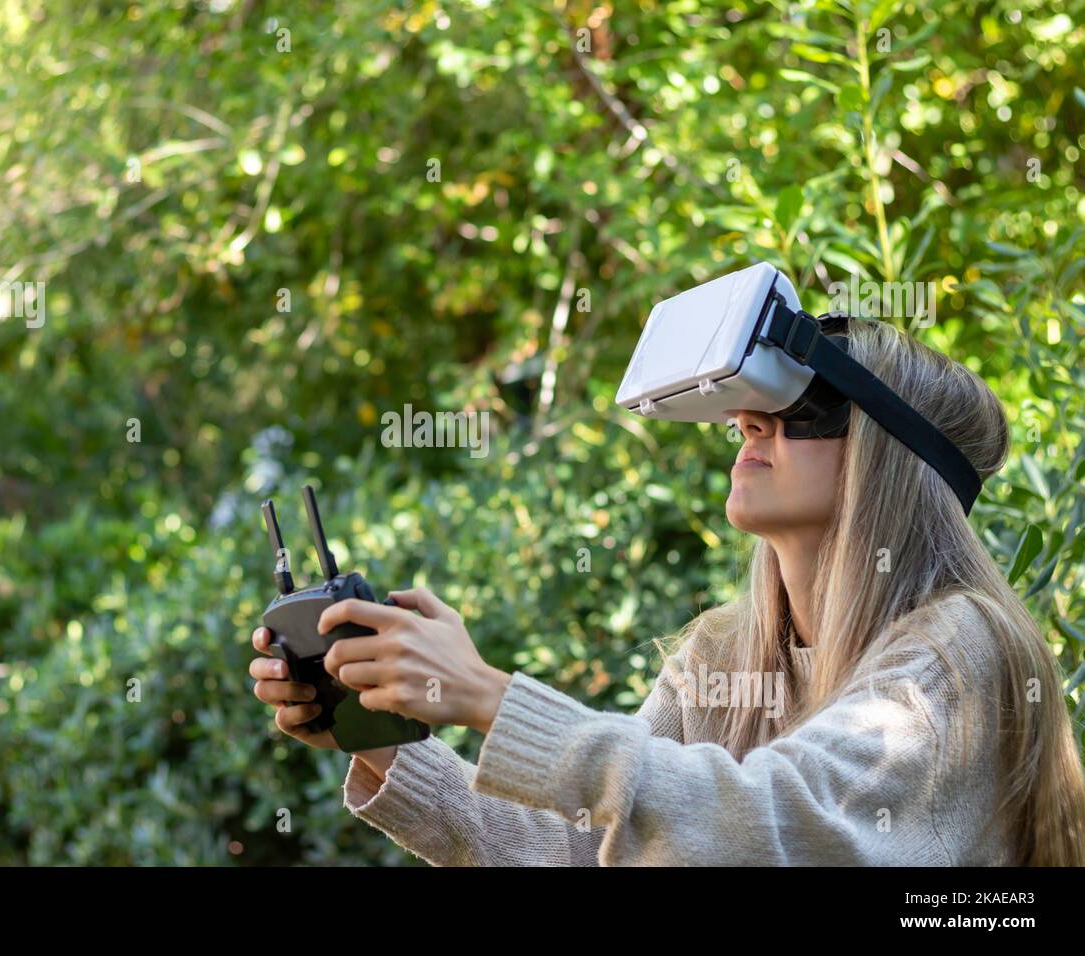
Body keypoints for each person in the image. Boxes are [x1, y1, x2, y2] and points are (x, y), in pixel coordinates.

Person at [248, 318, 1085, 865]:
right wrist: (384, 737)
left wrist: (492, 699)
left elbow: (783, 832)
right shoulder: (723, 655)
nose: (752, 424)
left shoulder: (961, 648)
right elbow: (580, 850)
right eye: (751, 407)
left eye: (808, 409)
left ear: (895, 461)